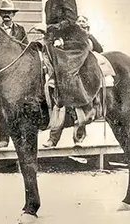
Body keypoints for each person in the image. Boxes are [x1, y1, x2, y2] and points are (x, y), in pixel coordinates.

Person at [32, 0, 99, 141]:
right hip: (56, 42)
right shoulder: (48, 4)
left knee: (66, 71)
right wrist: (46, 35)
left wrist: (49, 28)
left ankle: (86, 107)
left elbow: (71, 20)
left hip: (73, 42)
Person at [42, 14, 104, 148]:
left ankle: (79, 137)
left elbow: (100, 49)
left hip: (85, 72)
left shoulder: (89, 37)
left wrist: (89, 38)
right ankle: (53, 139)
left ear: (87, 26)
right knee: (60, 106)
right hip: (70, 71)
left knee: (83, 106)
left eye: (83, 21)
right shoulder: (70, 36)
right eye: (79, 21)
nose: (81, 23)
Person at [0, 0, 28, 148]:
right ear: (1, 15)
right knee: (2, 107)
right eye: (3, 13)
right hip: (1, 74)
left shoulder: (20, 30)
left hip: (16, 74)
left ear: (13, 14)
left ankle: (18, 138)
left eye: (9, 13)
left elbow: (26, 49)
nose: (6, 15)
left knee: (18, 107)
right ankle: (4, 139)